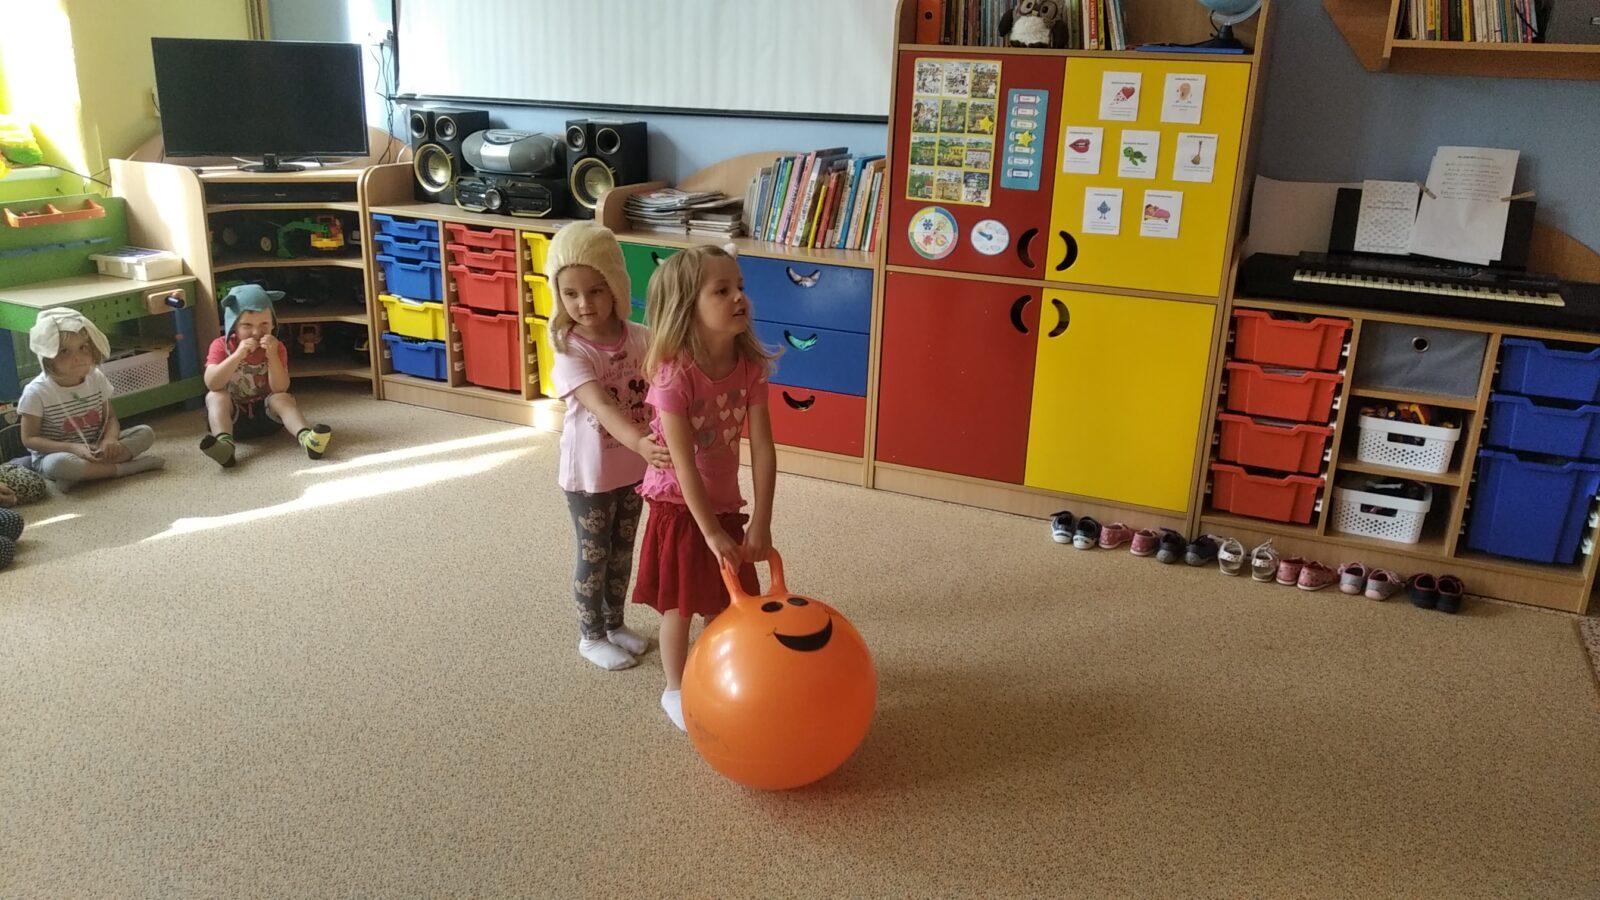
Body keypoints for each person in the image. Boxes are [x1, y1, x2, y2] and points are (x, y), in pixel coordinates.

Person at [632, 245, 777, 731]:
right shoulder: (674, 375)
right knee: (680, 603)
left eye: (741, 287)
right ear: (686, 307)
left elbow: (763, 449)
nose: (739, 297)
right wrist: (710, 531)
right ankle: (674, 689)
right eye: (722, 290)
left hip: (725, 503)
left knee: (725, 599)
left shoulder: (749, 366)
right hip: (678, 505)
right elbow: (682, 463)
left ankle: (719, 675)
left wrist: (761, 521)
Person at [546, 223, 672, 670]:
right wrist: (640, 441)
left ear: (616, 287)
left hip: (635, 470)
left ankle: (614, 624)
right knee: (594, 553)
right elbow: (599, 405)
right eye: (570, 294)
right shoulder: (569, 348)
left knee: (622, 551)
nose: (583, 304)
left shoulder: (640, 337)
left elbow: (665, 385)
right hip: (590, 475)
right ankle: (591, 636)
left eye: (595, 291)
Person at [17, 309, 164, 491]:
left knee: (145, 433)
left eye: (83, 348)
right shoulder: (36, 392)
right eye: (64, 351)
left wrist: (109, 439)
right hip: (59, 454)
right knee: (59, 465)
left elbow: (110, 418)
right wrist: (73, 448)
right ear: (47, 357)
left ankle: (84, 474)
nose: (77, 358)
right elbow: (29, 439)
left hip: (97, 445)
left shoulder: (96, 377)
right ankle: (124, 469)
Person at [200, 284, 331, 467]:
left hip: (267, 417)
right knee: (215, 396)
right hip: (232, 419)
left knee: (282, 398)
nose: (256, 332)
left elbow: (280, 387)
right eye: (247, 325)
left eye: (264, 324)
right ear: (233, 326)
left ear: (273, 324)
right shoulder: (220, 345)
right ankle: (225, 446)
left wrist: (272, 356)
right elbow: (212, 383)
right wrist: (237, 356)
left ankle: (307, 439)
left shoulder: (277, 347)